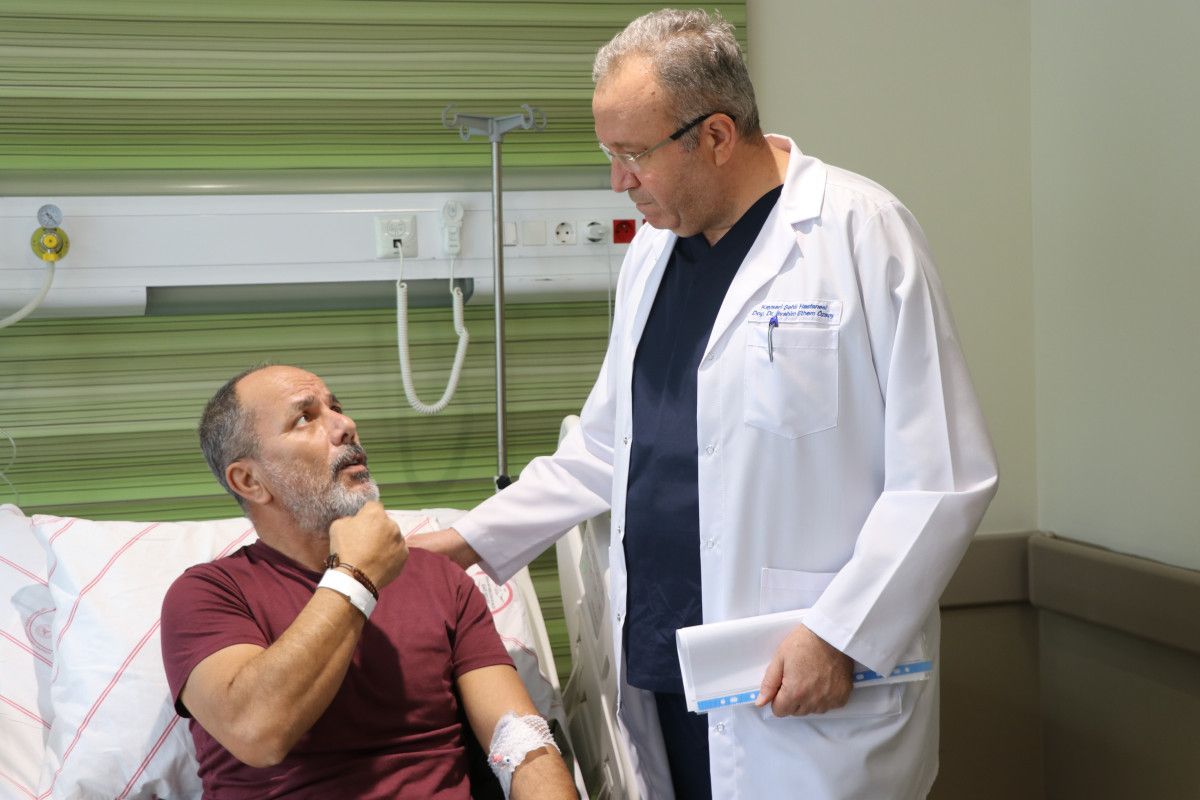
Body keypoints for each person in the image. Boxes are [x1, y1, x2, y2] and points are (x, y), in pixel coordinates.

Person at [410, 8, 999, 800]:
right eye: (610, 155)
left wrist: (841, 633)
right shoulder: (654, 251)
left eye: (632, 155)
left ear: (716, 135)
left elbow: (946, 475)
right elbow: (609, 446)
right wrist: (463, 543)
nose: (618, 182)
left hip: (803, 676)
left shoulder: (860, 233)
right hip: (668, 671)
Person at [160, 364, 577, 799]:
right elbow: (256, 732)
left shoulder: (439, 579)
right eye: (304, 418)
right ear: (249, 480)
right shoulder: (207, 595)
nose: (345, 425)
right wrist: (356, 576)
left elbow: (520, 742)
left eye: (336, 407)